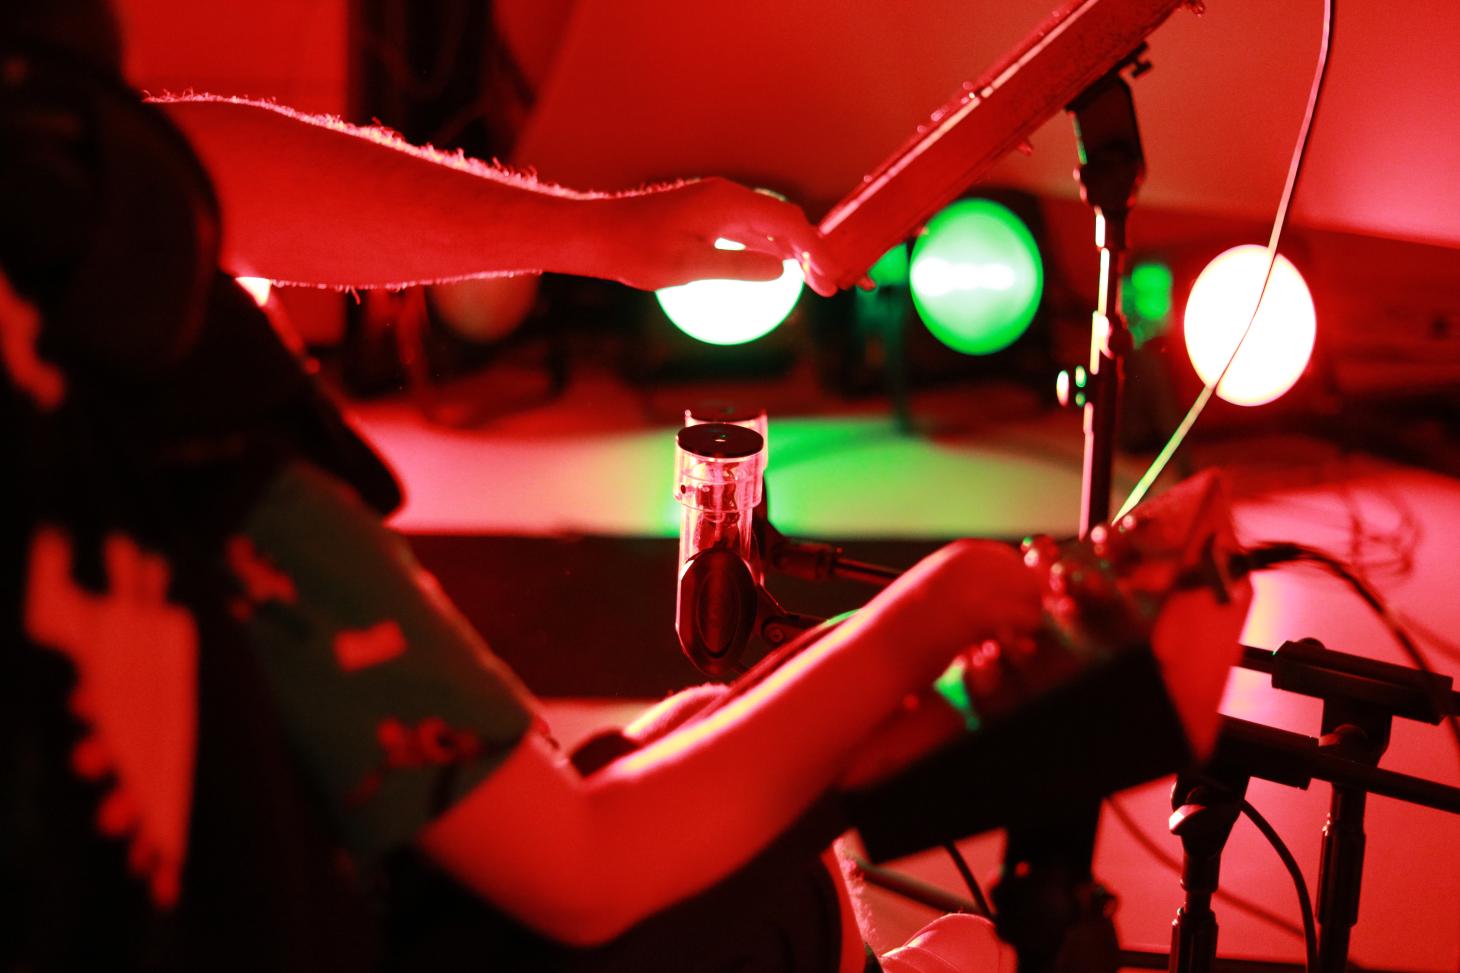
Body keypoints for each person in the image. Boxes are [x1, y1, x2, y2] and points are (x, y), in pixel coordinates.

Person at [2, 4, 1034, 970]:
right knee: (764, 868)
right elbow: (586, 869)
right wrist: (928, 619)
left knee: (687, 750)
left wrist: (601, 235)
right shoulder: (215, 494)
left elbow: (181, 170)